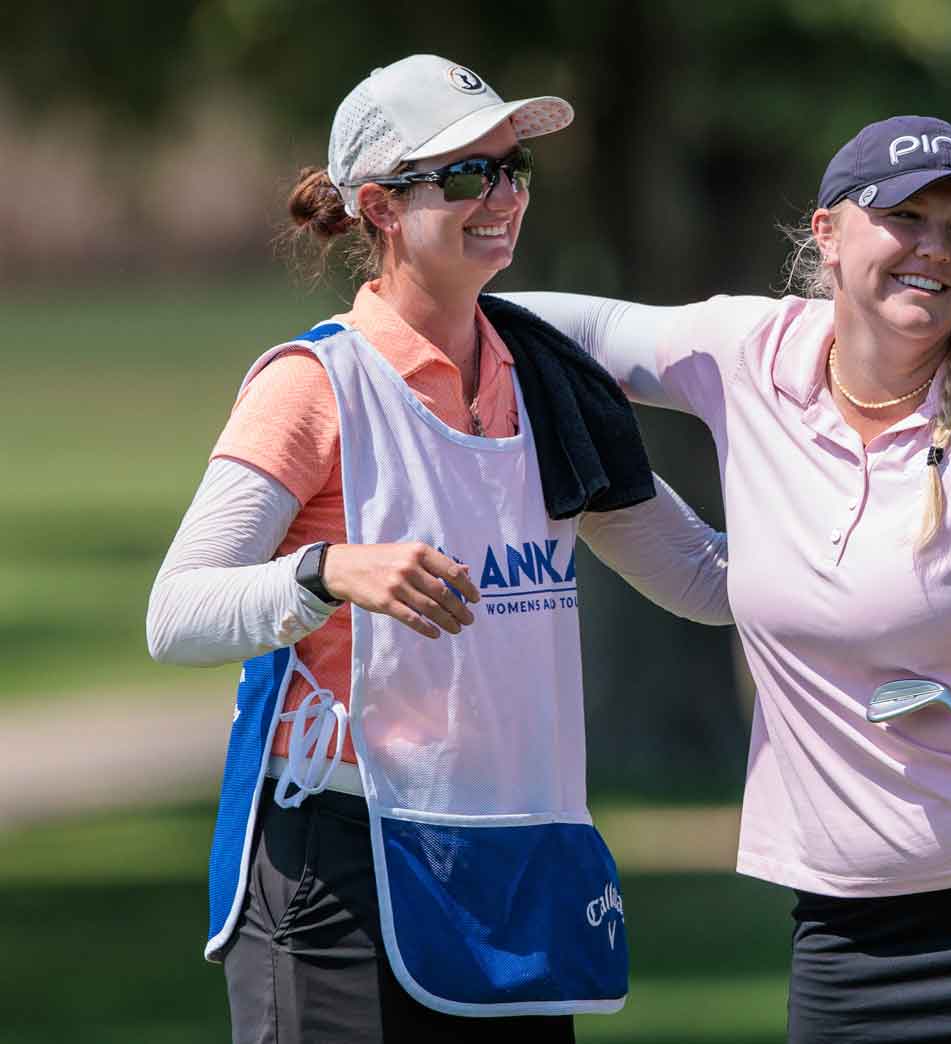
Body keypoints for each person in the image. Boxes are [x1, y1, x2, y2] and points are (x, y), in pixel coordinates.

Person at [505, 115, 951, 1042]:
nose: (936, 249)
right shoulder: (748, 354)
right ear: (828, 235)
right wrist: (429, 321)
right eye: (906, 217)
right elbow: (592, 328)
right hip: (851, 933)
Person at [146, 55, 727, 1042]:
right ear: (377, 206)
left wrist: (879, 538)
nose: (501, 197)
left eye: (514, 170)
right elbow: (176, 614)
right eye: (465, 176)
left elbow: (701, 580)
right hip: (332, 866)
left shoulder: (549, 380)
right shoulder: (311, 385)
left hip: (513, 860)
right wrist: (329, 570)